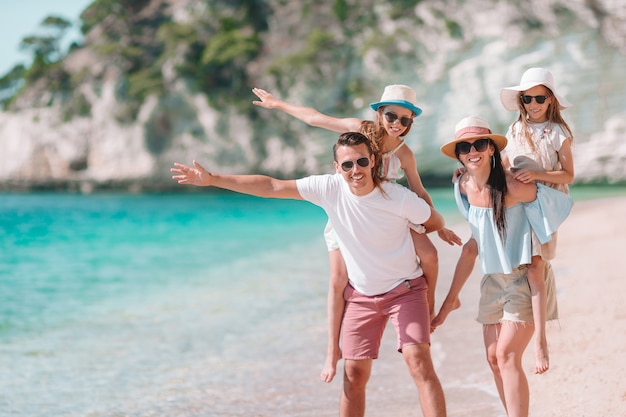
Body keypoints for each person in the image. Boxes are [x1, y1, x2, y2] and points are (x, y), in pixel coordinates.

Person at [172, 131, 447, 417]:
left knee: (418, 362)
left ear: (373, 160)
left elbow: (434, 219)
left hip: (405, 291)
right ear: (336, 168)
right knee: (353, 376)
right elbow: (271, 185)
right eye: (347, 165)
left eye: (362, 162)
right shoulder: (328, 189)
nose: (356, 170)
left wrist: (419, 230)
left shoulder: (398, 198)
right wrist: (213, 179)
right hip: (362, 296)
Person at [252, 85, 461, 382]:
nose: (397, 124)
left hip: (390, 214)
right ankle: (331, 351)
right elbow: (315, 118)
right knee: (338, 280)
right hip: (349, 216)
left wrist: (439, 226)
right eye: (392, 116)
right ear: (379, 113)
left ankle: (426, 309)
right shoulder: (358, 129)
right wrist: (277, 104)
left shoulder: (405, 154)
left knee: (429, 254)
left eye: (405, 120)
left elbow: (419, 191)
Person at [432, 116, 572, 417]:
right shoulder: (464, 187)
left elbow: (556, 205)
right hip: (492, 280)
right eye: (465, 147)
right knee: (493, 357)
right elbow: (472, 248)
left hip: (525, 277)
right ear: (458, 154)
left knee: (507, 355)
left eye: (480, 144)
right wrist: (447, 304)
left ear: (492, 149)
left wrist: (541, 343)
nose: (473, 151)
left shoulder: (513, 186)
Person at [499, 67, 575, 374]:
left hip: (545, 205)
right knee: (519, 264)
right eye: (527, 97)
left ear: (551, 99)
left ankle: (541, 341)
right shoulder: (513, 130)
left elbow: (569, 174)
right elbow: (502, 165)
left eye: (539, 98)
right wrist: (467, 173)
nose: (533, 103)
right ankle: (515, 315)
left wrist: (537, 174)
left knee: (535, 265)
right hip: (517, 203)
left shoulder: (559, 133)